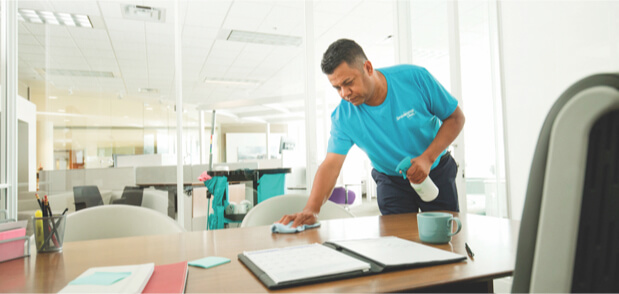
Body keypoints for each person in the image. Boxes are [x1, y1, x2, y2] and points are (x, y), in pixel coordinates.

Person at [278, 39, 465, 227]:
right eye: (337, 88)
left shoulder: (415, 78)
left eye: (348, 83)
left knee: (444, 238)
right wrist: (312, 208)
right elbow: (331, 165)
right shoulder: (343, 117)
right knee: (398, 245)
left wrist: (427, 158)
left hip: (435, 169)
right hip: (391, 180)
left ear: (367, 68)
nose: (344, 93)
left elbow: (456, 119)